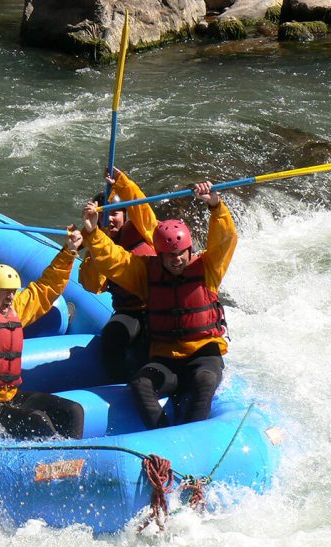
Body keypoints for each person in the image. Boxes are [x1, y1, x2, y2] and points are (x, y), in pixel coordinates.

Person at [81, 181, 237, 430]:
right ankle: (162, 434)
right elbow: (115, 260)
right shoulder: (146, 273)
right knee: (141, 383)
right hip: (167, 358)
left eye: (180, 254)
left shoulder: (208, 268)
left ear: (189, 251)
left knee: (205, 382)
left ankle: (189, 435)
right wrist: (93, 234)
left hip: (203, 354)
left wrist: (215, 206)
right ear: (160, 254)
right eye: (170, 256)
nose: (176, 261)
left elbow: (224, 240)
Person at [0, 215, 86, 439]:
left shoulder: (14, 310)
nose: (11, 296)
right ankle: (48, 466)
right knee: (38, 421)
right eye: (5, 291)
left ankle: (72, 461)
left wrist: (69, 252)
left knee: (72, 411)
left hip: (7, 396)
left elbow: (44, 289)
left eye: (13, 290)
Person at [78, 168, 158, 382]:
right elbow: (93, 285)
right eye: (103, 215)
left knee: (150, 349)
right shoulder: (98, 245)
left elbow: (141, 206)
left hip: (157, 307)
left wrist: (121, 183)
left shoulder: (143, 230)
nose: (109, 219)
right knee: (112, 338)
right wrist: (94, 235)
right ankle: (120, 386)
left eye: (114, 213)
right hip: (129, 311)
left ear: (125, 215)